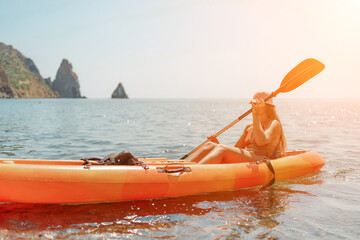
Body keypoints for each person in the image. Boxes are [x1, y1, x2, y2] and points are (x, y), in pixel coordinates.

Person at [186, 91, 286, 164]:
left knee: (221, 149)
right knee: (210, 146)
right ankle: (181, 167)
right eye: (253, 104)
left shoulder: (274, 124)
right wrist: (216, 145)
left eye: (257, 104)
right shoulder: (249, 127)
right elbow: (236, 149)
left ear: (267, 106)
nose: (253, 106)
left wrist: (255, 115)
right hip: (247, 156)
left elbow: (261, 142)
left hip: (261, 159)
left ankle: (191, 174)